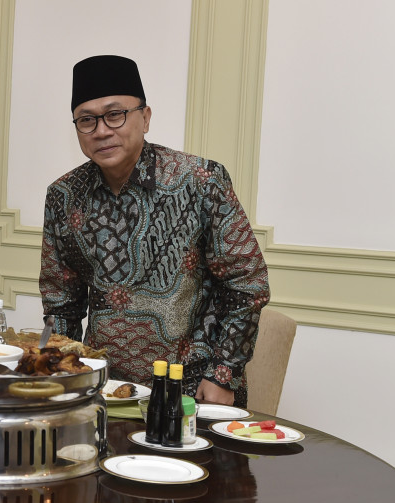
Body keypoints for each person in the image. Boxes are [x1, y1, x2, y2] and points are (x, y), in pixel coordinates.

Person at [39, 55, 270, 410]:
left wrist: (223, 373)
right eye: (87, 120)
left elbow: (247, 284)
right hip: (102, 389)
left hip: (192, 387)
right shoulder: (64, 196)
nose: (101, 130)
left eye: (115, 114)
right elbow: (61, 304)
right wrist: (60, 376)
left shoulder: (200, 181)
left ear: (145, 118)